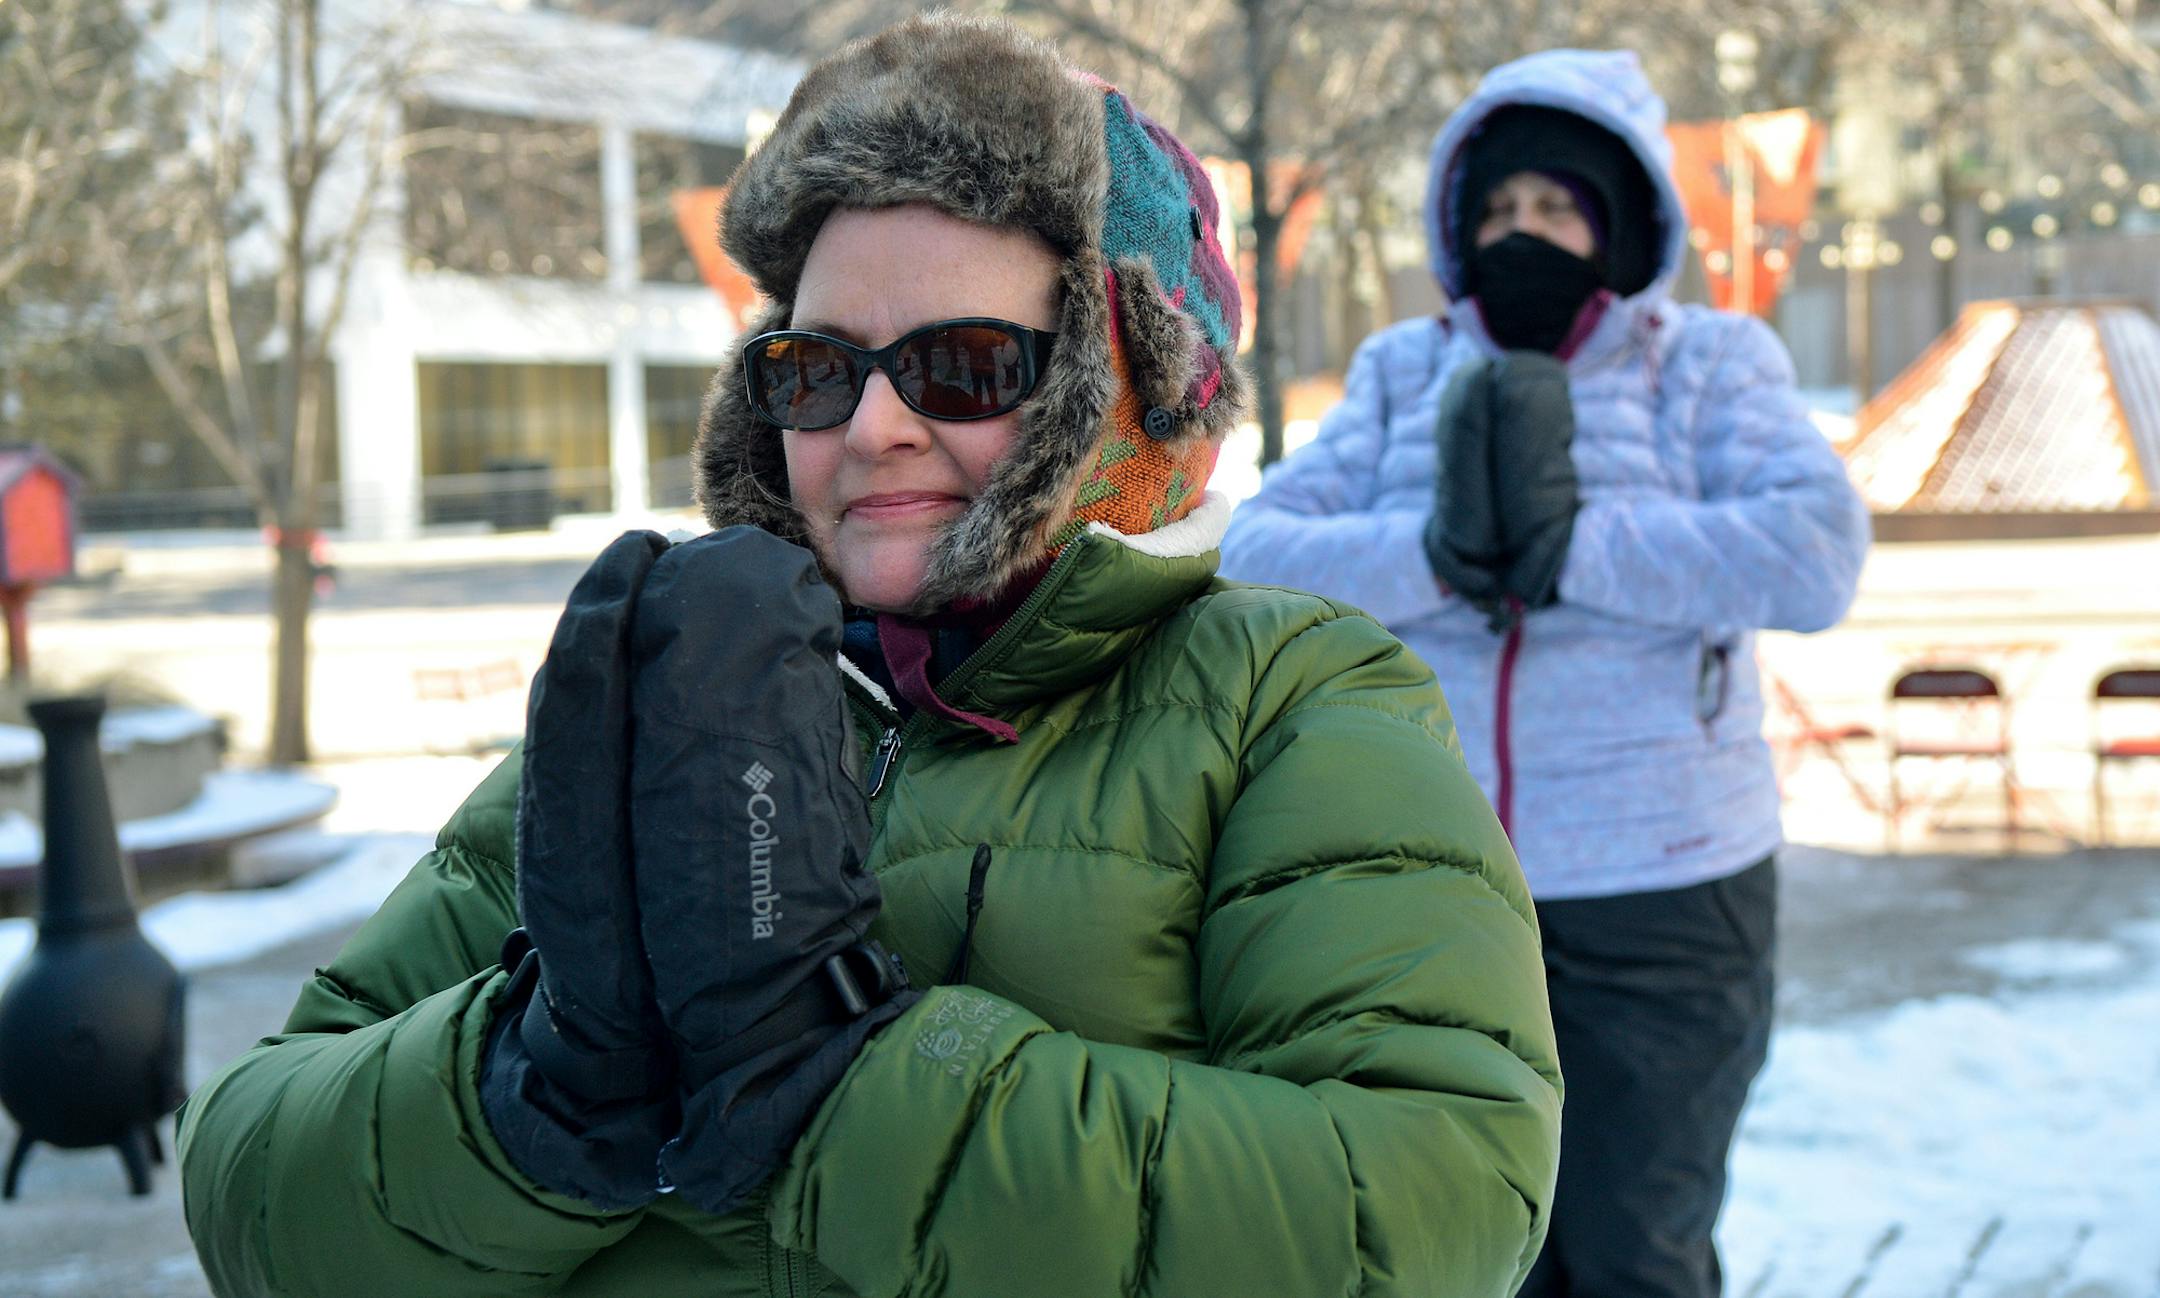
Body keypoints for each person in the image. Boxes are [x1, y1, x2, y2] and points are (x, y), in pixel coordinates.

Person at [176, 17, 1562, 1298]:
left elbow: (1434, 1203)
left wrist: (843, 1076)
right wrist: (535, 1081)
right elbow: (250, 1176)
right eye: (816, 369)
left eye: (962, 364)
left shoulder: (1286, 696)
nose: (874, 425)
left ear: (1126, 384)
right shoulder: (667, 701)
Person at [1219, 48, 1870, 1298]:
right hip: (1438, 888)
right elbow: (1258, 551)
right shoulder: (1405, 371)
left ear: (1620, 224)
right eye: (1500, 210)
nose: (1525, 233)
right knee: (1467, 1245)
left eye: (1557, 208)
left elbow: (1814, 554)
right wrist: (1435, 552)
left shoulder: (1708, 365)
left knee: (1638, 1243)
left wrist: (1580, 549)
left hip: (1666, 893)